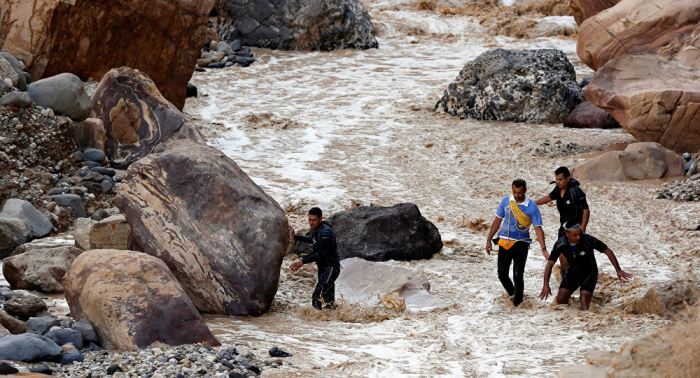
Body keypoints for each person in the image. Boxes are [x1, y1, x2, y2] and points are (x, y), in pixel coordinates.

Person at [539, 221, 632, 311]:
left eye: (580, 234)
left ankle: (587, 321)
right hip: (573, 271)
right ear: (567, 234)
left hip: (589, 272)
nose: (579, 237)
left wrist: (618, 270)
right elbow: (550, 263)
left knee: (584, 304)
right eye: (575, 235)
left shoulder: (588, 239)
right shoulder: (560, 244)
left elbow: (607, 251)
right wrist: (546, 285)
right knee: (561, 300)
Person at [486, 179, 549, 307]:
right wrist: (488, 240)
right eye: (514, 192)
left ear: (525, 190)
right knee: (502, 274)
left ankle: (518, 303)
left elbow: (538, 228)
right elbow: (497, 220)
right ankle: (513, 294)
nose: (517, 195)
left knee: (517, 274)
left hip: (521, 243)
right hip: (504, 241)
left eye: (520, 193)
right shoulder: (506, 201)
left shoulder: (532, 207)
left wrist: (543, 248)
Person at [535, 166, 590, 272]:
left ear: (568, 178)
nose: (558, 182)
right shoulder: (558, 188)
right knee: (562, 254)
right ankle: (567, 277)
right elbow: (549, 197)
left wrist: (582, 229)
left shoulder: (576, 191)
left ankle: (576, 277)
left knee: (571, 253)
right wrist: (533, 203)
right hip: (563, 226)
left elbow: (586, 211)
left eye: (560, 179)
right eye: (556, 179)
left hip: (575, 227)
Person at [289, 207, 341, 310]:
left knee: (317, 295)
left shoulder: (326, 232)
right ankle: (333, 322)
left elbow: (321, 253)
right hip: (323, 268)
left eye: (314, 220)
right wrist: (295, 236)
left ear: (320, 219)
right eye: (309, 219)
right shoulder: (317, 229)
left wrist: (302, 262)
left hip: (331, 268)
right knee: (328, 301)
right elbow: (312, 240)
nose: (311, 223)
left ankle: (315, 323)